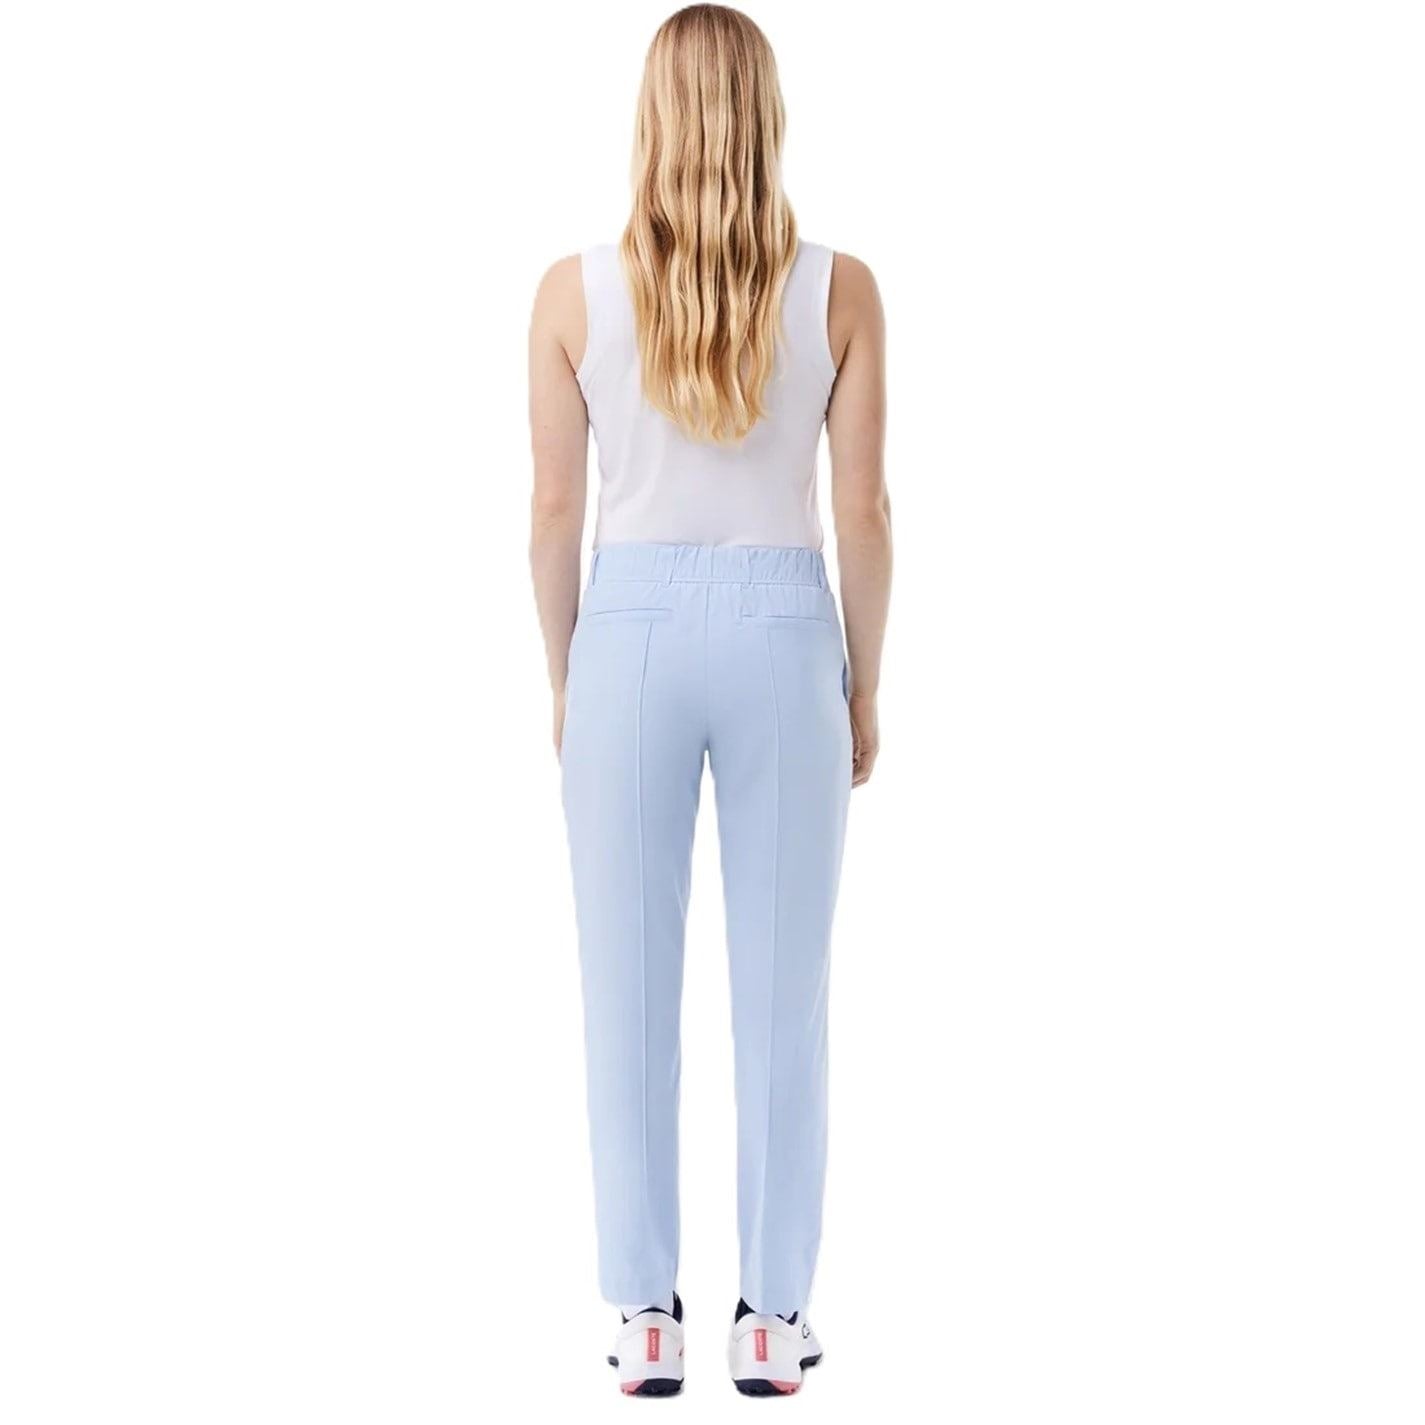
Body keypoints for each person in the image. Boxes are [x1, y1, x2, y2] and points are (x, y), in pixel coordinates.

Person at [527, 3, 891, 1397]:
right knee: (785, 994)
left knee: (623, 986)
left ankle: (642, 1318)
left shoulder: (571, 295)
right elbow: (861, 510)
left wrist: (564, 671)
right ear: (764, 116)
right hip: (786, 630)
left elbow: (553, 511)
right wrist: (866, 680)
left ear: (652, 115)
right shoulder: (841, 291)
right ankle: (771, 1319)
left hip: (625, 632)